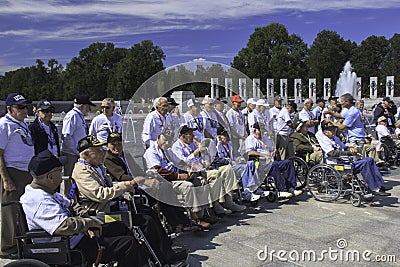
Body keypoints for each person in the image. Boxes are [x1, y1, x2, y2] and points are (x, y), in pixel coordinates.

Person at [72, 135, 188, 266]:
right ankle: (161, 259)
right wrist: (126, 186)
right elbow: (100, 194)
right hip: (102, 216)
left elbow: (110, 186)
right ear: (87, 153)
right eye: (97, 150)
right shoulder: (82, 171)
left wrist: (128, 184)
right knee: (145, 221)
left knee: (149, 212)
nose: (102, 152)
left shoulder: (94, 166)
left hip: (111, 207)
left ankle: (165, 254)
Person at [21, 150, 150, 266]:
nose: (61, 178)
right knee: (128, 245)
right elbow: (63, 226)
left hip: (76, 236)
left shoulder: (49, 192)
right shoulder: (38, 200)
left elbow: (72, 205)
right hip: (68, 246)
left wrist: (87, 220)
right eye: (59, 173)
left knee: (120, 226)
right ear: (50, 177)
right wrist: (89, 223)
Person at [104, 132, 196, 233]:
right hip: (128, 187)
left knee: (165, 186)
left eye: (119, 143)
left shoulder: (126, 154)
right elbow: (122, 177)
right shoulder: (108, 158)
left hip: (139, 183)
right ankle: (175, 224)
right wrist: (145, 180)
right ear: (108, 146)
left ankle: (182, 221)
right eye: (113, 144)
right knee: (162, 190)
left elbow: (137, 170)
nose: (116, 147)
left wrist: (148, 178)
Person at [170, 125, 240, 216]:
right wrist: (197, 151)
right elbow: (183, 161)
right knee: (215, 174)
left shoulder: (191, 144)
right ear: (183, 136)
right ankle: (215, 205)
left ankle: (228, 202)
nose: (193, 137)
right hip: (189, 172)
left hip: (200, 168)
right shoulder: (176, 147)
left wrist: (203, 161)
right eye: (190, 134)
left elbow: (198, 159)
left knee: (227, 169)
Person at [315, 121, 391, 196]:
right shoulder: (325, 140)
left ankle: (379, 185)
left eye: (333, 129)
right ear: (325, 132)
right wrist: (349, 153)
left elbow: (344, 147)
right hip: (336, 165)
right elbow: (331, 153)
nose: (333, 131)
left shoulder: (335, 138)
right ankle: (374, 188)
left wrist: (351, 149)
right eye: (331, 130)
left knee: (370, 159)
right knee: (365, 163)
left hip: (345, 161)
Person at [0, 93, 34, 258]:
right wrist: (6, 178)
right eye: (20, 107)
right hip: (13, 171)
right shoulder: (4, 125)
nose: (24, 110)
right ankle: (8, 248)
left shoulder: (21, 124)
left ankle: (22, 243)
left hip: (26, 172)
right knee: (11, 212)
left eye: (25, 107)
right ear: (9, 109)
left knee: (24, 211)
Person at [323, 93, 384, 166]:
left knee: (356, 160)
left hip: (355, 139)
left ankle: (362, 174)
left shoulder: (352, 112)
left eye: (342, 101)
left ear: (347, 102)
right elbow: (341, 116)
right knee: (354, 159)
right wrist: (331, 113)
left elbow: (342, 127)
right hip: (354, 138)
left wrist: (330, 122)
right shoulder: (349, 110)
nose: (340, 103)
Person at [245, 123, 301, 199]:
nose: (262, 134)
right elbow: (249, 152)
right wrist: (264, 155)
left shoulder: (264, 138)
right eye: (260, 132)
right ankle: (280, 190)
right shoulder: (250, 139)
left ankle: (291, 188)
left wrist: (272, 153)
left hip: (270, 160)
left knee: (287, 163)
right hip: (259, 163)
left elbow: (271, 149)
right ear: (255, 130)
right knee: (273, 165)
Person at [61, 94, 96, 178]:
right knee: (70, 178)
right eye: (88, 107)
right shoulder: (72, 116)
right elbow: (66, 136)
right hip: (72, 155)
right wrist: (77, 151)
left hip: (78, 153)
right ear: (81, 106)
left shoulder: (79, 116)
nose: (89, 110)